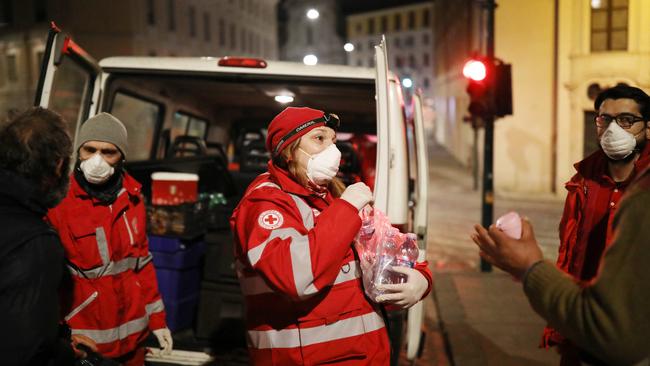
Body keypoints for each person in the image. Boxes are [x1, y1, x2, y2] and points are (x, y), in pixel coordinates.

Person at [230, 107, 433, 365]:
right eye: (319, 138)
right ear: (289, 150)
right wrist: (347, 208)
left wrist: (421, 278)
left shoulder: (333, 195)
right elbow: (294, 277)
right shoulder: (266, 202)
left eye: (334, 141)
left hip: (363, 355)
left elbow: (388, 248)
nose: (333, 150)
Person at [471, 164, 650, 365]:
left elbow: (614, 330)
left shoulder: (643, 198)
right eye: (600, 129)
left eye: (626, 128)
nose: (610, 133)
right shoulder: (587, 177)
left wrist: (530, 266)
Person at [47, 113, 172, 365]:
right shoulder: (58, 204)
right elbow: (44, 280)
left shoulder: (133, 198)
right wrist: (58, 336)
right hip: (84, 346)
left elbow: (142, 264)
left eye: (108, 152)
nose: (97, 160)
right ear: (77, 152)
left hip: (134, 340)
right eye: (89, 150)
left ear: (122, 157)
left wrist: (157, 321)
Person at [539, 85, 650, 365]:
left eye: (626, 120)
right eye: (604, 119)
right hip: (582, 324)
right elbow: (569, 252)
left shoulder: (644, 191)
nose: (613, 129)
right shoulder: (582, 182)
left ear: (648, 128)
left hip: (632, 337)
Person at [0, 107, 78, 365]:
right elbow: (25, 351)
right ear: (58, 166)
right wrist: (66, 353)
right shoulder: (36, 244)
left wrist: (60, 336)